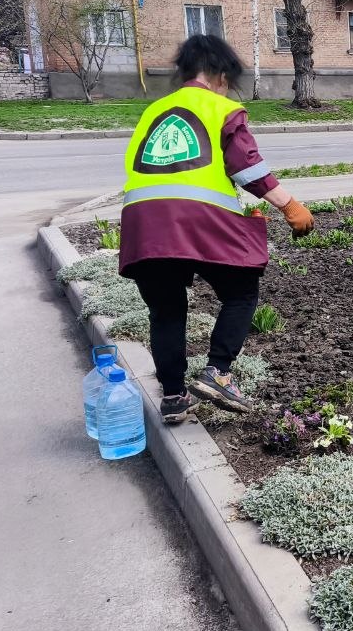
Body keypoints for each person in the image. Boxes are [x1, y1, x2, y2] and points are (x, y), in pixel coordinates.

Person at [119, 35, 315, 424]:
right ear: (221, 75)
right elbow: (247, 167)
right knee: (241, 292)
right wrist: (289, 205)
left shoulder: (154, 111)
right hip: (199, 220)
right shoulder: (221, 108)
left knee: (165, 311)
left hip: (143, 224)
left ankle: (173, 398)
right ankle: (218, 372)